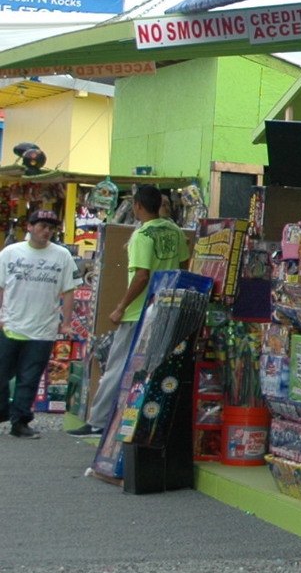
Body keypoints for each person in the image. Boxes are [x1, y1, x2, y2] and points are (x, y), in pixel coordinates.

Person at [82, 184, 189, 436]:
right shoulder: (174, 231)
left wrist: (121, 307)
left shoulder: (143, 235)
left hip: (139, 311)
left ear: (137, 206)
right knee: (152, 368)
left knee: (117, 365)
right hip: (165, 308)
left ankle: (98, 421)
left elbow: (141, 276)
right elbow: (184, 264)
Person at [0, 210, 83, 438]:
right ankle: (3, 410)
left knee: (29, 378)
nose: (46, 231)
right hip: (10, 325)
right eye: (42, 226)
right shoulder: (10, 253)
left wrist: (66, 323)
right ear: (30, 227)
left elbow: (68, 290)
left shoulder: (62, 256)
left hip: (43, 329)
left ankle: (20, 421)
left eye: (51, 227)